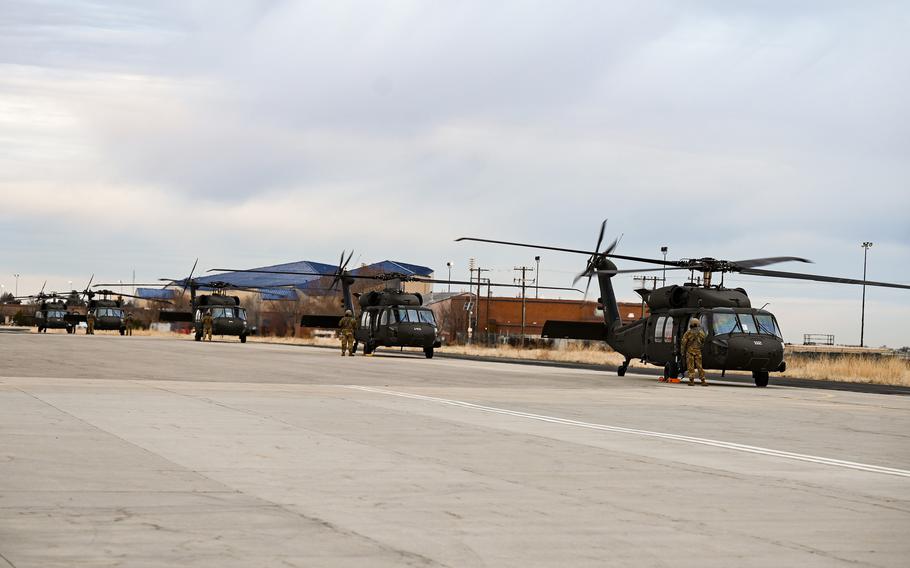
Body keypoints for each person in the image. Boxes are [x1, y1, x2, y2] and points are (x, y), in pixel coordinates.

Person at [680, 317, 707, 385]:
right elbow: (703, 340)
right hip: (698, 351)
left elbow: (683, 343)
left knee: (690, 366)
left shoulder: (688, 332)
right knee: (699, 366)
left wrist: (682, 352)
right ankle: (703, 380)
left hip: (690, 351)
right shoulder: (701, 332)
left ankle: (691, 380)